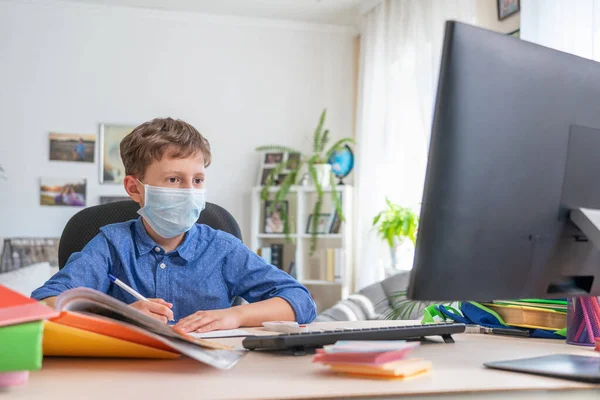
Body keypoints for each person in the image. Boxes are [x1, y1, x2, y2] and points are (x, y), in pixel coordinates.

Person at [31, 118, 316, 333]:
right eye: (173, 179)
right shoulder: (111, 245)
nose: (189, 191)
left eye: (198, 180)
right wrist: (118, 314)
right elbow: (45, 303)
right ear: (134, 188)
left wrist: (235, 316)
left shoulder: (222, 248)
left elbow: (300, 302)